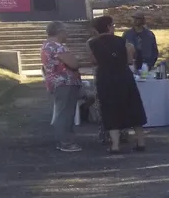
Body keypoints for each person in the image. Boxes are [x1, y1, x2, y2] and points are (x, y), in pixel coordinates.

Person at [89, 14, 147, 154]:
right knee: (133, 107)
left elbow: (93, 61)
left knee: (110, 109)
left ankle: (115, 145)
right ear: (108, 26)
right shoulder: (122, 41)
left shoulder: (93, 43)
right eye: (113, 25)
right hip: (123, 76)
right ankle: (140, 141)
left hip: (105, 77)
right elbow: (128, 60)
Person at [41, 20, 83, 153]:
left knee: (62, 111)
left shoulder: (46, 46)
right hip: (65, 82)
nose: (67, 34)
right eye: (65, 31)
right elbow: (74, 64)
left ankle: (64, 140)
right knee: (65, 113)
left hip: (56, 82)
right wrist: (76, 59)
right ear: (59, 32)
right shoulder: (58, 47)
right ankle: (65, 142)